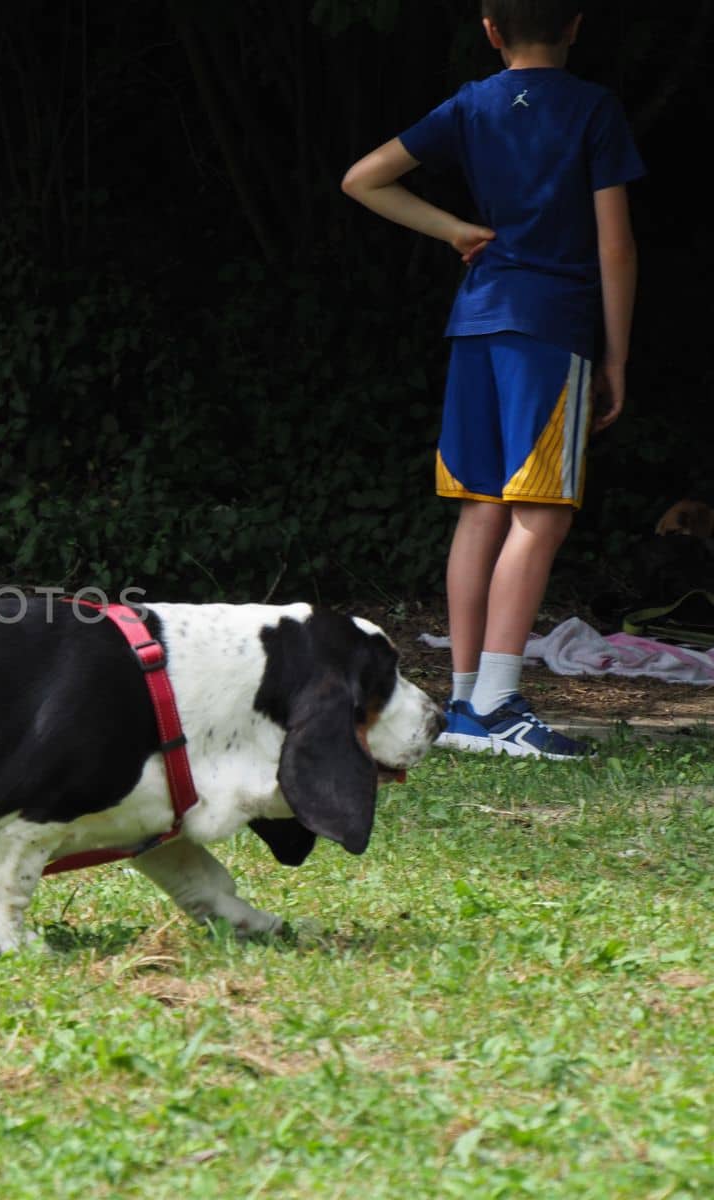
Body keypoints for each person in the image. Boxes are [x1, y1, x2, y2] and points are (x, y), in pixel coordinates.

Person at [342, 0, 643, 759]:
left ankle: (470, 702)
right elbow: (617, 247)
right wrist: (617, 357)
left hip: (477, 322)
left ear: (490, 30)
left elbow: (363, 179)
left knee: (481, 508)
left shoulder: (472, 103)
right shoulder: (593, 109)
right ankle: (499, 704)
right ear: (577, 23)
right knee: (540, 514)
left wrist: (454, 230)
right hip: (551, 327)